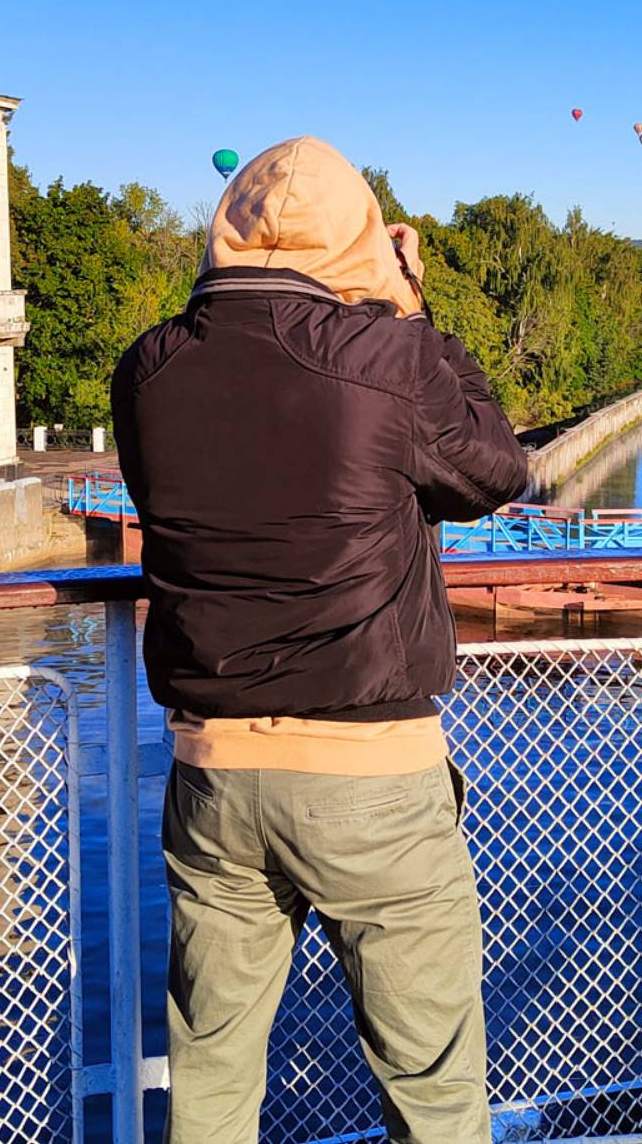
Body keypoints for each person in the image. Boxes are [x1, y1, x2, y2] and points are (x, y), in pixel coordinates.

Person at [111, 136, 530, 1141]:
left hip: (209, 774)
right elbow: (493, 469)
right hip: (369, 773)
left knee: (210, 1076)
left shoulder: (149, 370)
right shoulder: (386, 360)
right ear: (353, 241)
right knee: (430, 1086)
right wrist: (409, 304)